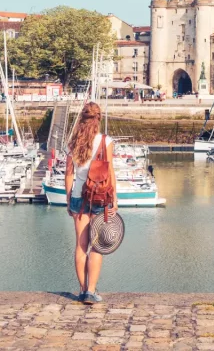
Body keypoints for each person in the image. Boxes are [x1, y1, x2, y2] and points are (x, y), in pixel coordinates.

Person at [65, 102, 117, 304]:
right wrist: (115, 200)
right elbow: (110, 171)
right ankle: (92, 291)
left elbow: (69, 176)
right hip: (100, 197)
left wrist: (69, 200)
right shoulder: (106, 141)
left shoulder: (73, 142)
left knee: (80, 245)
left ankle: (82, 289)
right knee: (97, 246)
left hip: (79, 196)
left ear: (82, 119)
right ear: (98, 119)